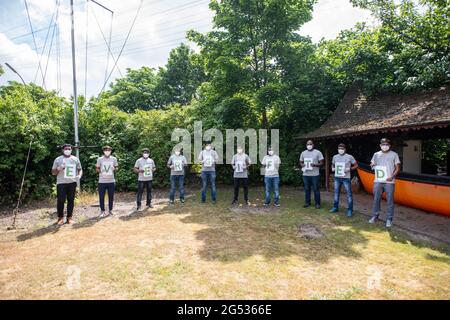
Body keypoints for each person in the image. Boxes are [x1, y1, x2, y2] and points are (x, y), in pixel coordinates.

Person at [369, 138, 401, 228]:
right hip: (378, 181)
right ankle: (375, 216)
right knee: (376, 199)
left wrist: (392, 177)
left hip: (389, 182)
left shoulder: (394, 154)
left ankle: (389, 219)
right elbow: (372, 165)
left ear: (389, 145)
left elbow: (398, 168)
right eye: (383, 144)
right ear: (380, 145)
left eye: (387, 144)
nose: (385, 146)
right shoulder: (376, 154)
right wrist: (372, 166)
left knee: (390, 201)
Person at [51, 144, 82, 225]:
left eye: (69, 149)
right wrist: (58, 168)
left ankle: (69, 218)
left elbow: (80, 169)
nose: (67, 150)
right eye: (66, 149)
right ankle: (60, 218)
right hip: (61, 183)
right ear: (63, 150)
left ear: (71, 150)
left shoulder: (75, 159)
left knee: (71, 201)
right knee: (61, 201)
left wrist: (79, 175)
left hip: (72, 183)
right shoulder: (58, 159)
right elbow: (53, 172)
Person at [329, 143, 358, 217]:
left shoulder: (349, 157)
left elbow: (356, 165)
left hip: (346, 178)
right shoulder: (335, 156)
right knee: (336, 193)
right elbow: (332, 164)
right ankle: (335, 207)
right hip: (337, 177)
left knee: (349, 194)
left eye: (342, 148)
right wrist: (332, 167)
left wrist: (350, 169)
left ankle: (350, 210)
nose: (340, 150)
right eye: (339, 148)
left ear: (345, 149)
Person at [299, 140, 324, 209]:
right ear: (306, 145)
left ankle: (317, 204)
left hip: (315, 174)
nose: (309, 145)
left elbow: (322, 163)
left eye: (310, 144)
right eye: (308, 144)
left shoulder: (318, 152)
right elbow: (300, 162)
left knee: (316, 189)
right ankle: (307, 202)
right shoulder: (303, 153)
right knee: (307, 189)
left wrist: (315, 164)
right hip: (306, 174)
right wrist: (302, 165)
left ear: (313, 145)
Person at [96, 146, 118, 218]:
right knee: (101, 197)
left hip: (111, 180)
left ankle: (110, 210)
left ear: (111, 151)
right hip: (102, 181)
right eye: (106, 150)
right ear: (103, 151)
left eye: (109, 150)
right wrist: (100, 171)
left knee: (111, 196)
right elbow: (97, 168)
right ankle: (102, 211)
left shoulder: (114, 159)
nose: (107, 151)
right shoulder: (100, 159)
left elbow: (117, 167)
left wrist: (114, 168)